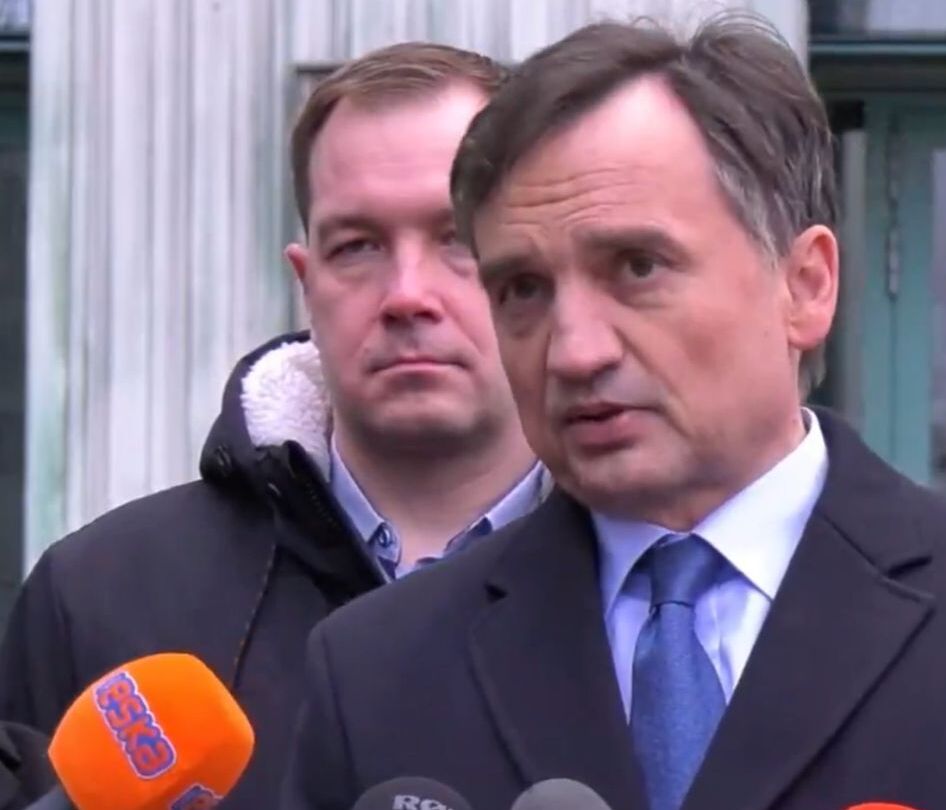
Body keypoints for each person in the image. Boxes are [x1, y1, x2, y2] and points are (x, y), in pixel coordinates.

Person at [282, 16, 946, 810]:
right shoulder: (377, 673)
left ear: (807, 285)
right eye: (523, 289)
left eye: (637, 268)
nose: (574, 350)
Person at [0, 42, 545, 810]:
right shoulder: (97, 598)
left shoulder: (663, 587)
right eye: (357, 246)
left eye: (456, 238)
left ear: (532, 268)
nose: (406, 294)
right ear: (306, 282)